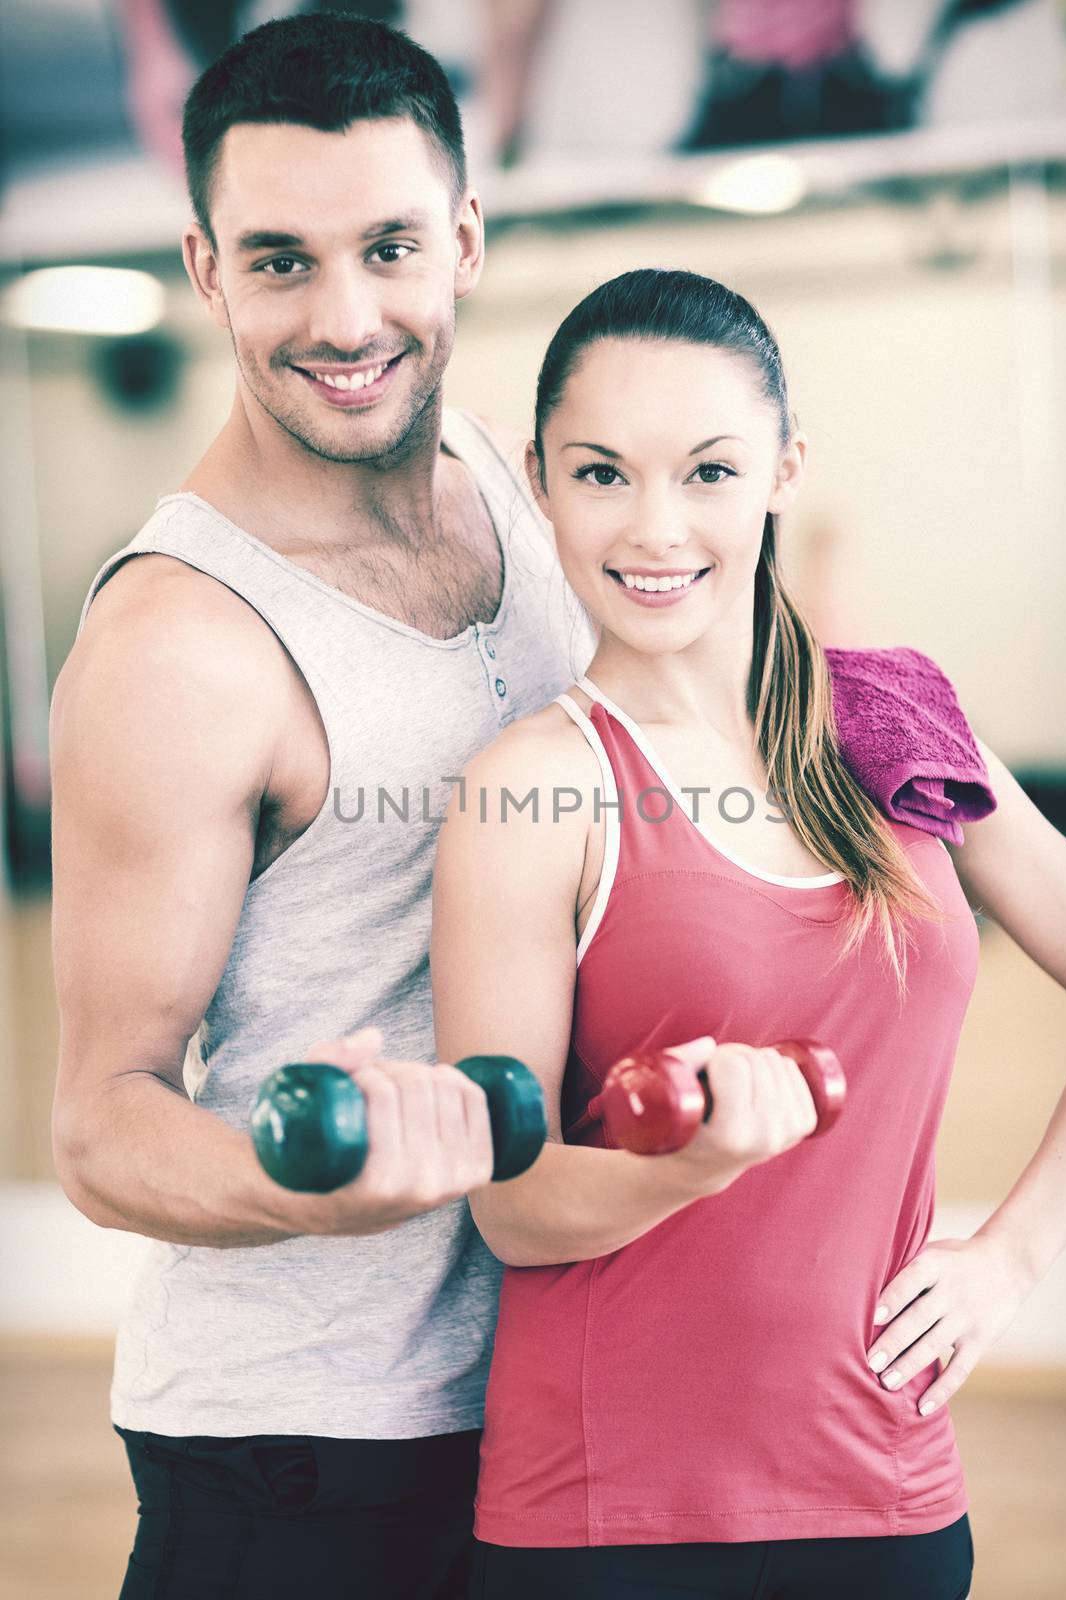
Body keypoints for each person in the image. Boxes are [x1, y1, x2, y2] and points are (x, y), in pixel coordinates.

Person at [430, 268, 1066, 1600]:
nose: (655, 525)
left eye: (707, 470)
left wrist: (1013, 1254)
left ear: (784, 469)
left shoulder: (898, 726)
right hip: (610, 1519)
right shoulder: (530, 788)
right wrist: (691, 1169)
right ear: (540, 481)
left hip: (889, 1490)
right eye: (601, 473)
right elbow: (511, 1205)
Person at [49, 14, 596, 1599]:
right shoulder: (181, 647)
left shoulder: (515, 482)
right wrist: (312, 1185)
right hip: (305, 1453)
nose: (345, 316)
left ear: (467, 243)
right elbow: (102, 1124)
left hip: (550, 1399)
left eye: (390, 248)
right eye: (281, 260)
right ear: (208, 269)